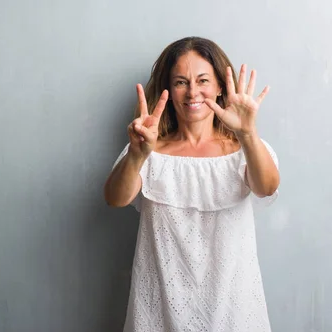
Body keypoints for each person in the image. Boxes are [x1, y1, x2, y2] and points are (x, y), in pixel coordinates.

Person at [103, 36, 280, 332]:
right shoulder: (147, 149)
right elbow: (114, 198)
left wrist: (248, 134)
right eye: (181, 82)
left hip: (234, 311)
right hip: (159, 311)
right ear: (169, 91)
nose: (193, 92)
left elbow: (267, 187)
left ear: (221, 86)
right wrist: (136, 155)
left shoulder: (244, 149)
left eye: (203, 80)